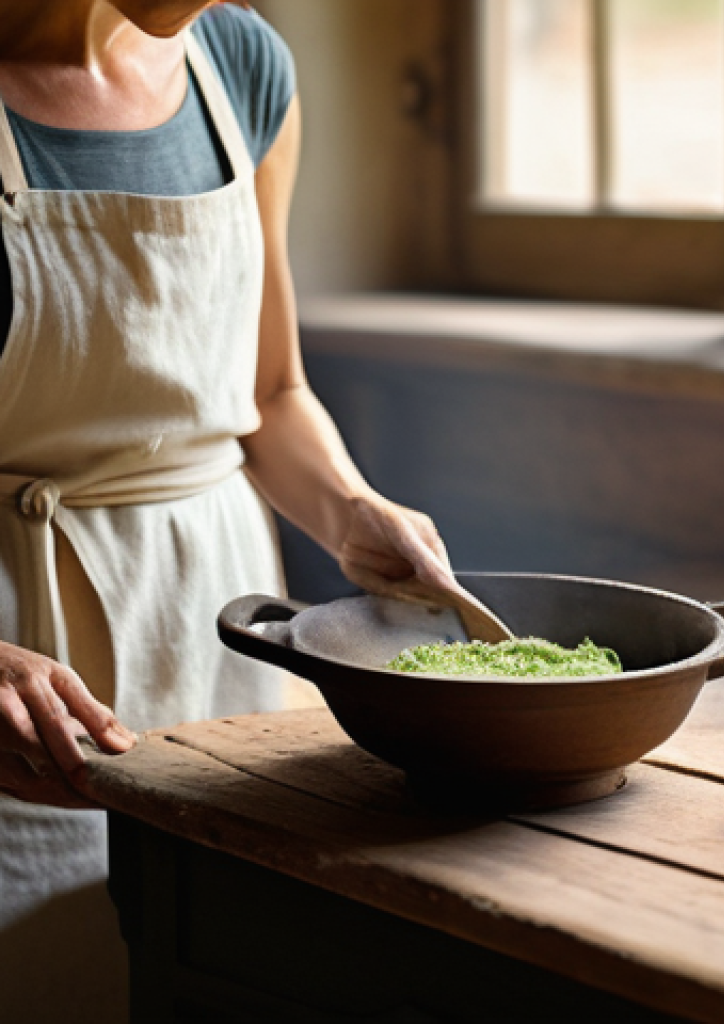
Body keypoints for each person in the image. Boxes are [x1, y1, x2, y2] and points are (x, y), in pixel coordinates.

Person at [0, 2, 461, 1019]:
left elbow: (270, 392)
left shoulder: (241, 66)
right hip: (21, 686)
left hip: (213, 644)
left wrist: (347, 510)